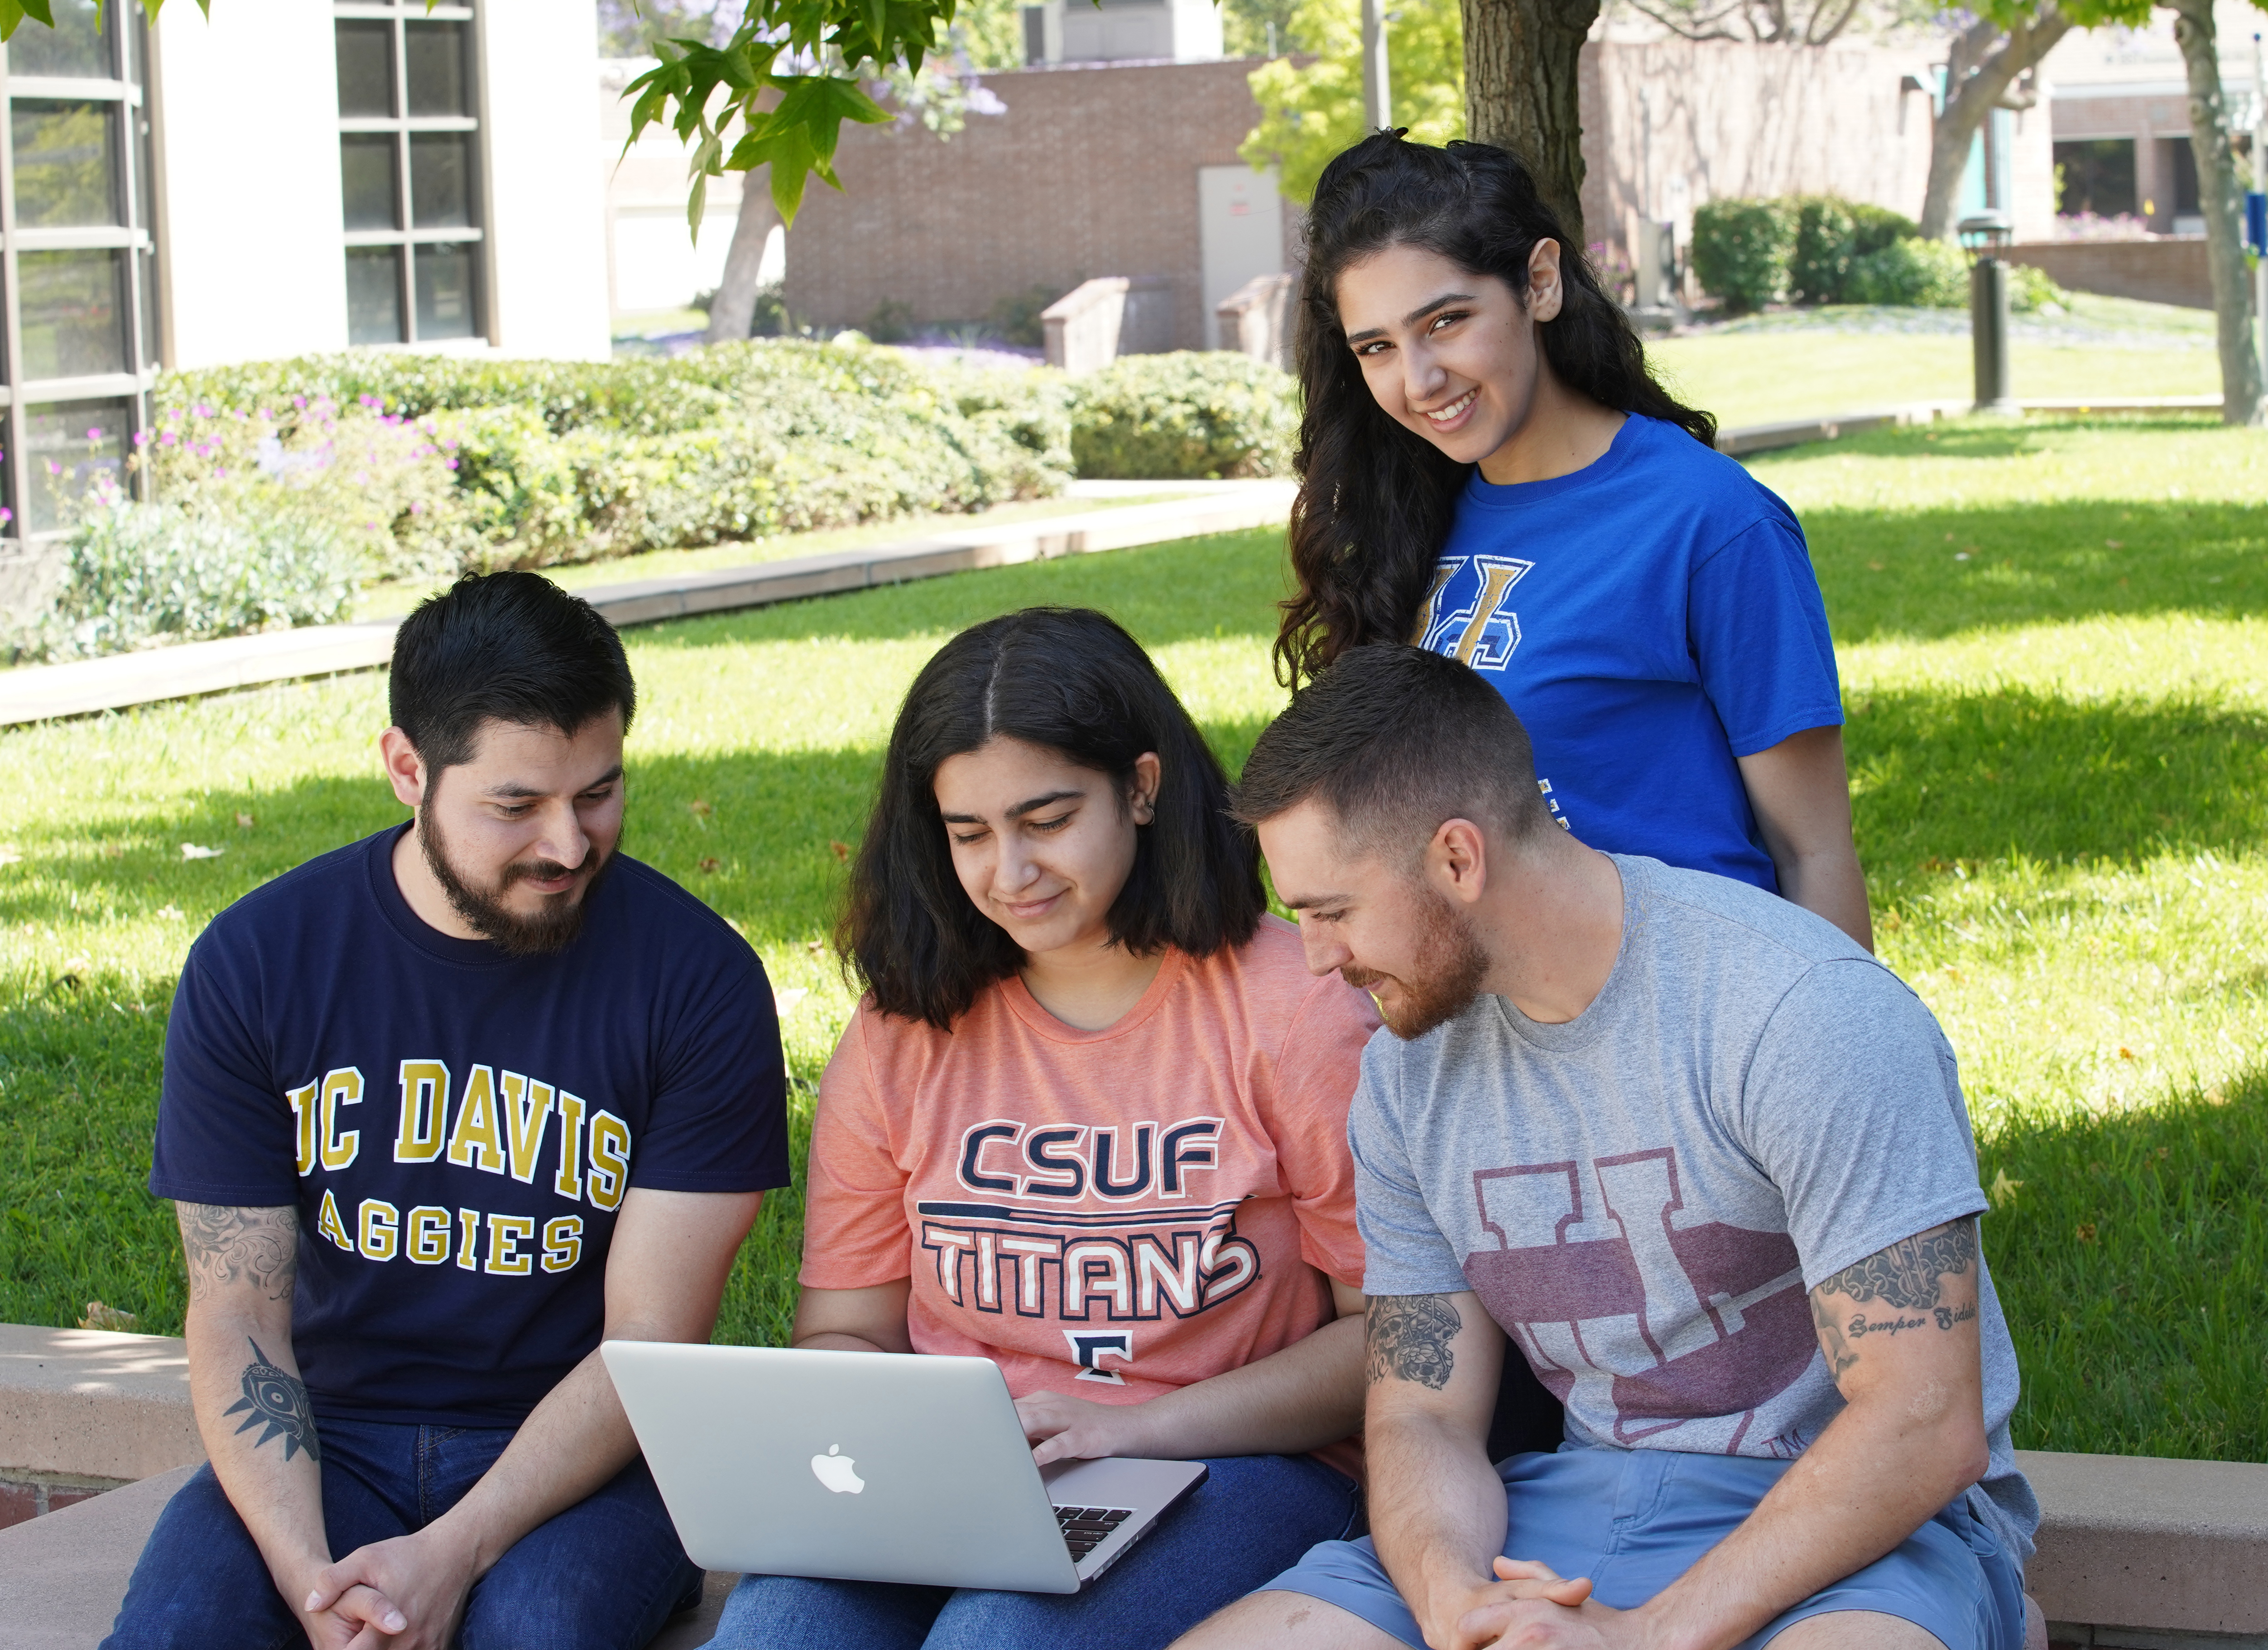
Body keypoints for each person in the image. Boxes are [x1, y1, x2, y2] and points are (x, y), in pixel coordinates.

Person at [1178, 642, 2039, 1650]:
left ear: (1458, 858)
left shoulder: (1799, 1013)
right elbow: (1424, 1414)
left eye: (1332, 912)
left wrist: (1648, 1637)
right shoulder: (1408, 1076)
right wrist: (1457, 1599)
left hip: (1856, 1536)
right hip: (1573, 1507)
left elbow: (1922, 1426)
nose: (1318, 958)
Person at [108, 571, 793, 1650]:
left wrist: (452, 1555)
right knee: (181, 1633)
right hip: (331, 1440)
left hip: (592, 1459)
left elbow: (650, 1343)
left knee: (532, 1631)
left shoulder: (697, 979)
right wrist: (306, 1578)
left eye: (599, 792)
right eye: (516, 805)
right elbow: (238, 1312)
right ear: (406, 770)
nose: (569, 845)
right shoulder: (259, 962)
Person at [710, 606, 1384, 1650]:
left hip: (1239, 1464)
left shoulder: (1294, 1006)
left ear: (1144, 787)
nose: (1008, 871)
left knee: (997, 1639)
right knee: (775, 1635)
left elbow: (1391, 1335)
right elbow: (846, 1329)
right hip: (971, 1479)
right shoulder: (902, 1030)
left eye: (1047, 817)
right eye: (968, 832)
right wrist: (925, 1452)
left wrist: (1130, 1427)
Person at [1275, 132, 1872, 949]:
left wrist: (1831, 1060)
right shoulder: (1406, 518)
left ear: (1540, 283)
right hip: (1493, 1030)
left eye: (1445, 322)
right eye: (1376, 347)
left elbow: (1813, 849)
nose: (1417, 381)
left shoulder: (1707, 520)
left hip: (1688, 1013)